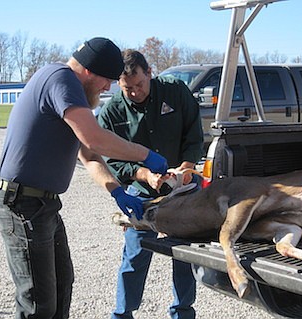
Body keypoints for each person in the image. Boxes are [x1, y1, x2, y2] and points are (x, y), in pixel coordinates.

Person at [0, 38, 168, 319]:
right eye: (106, 80)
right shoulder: (61, 79)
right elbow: (95, 139)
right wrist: (144, 154)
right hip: (22, 203)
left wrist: (116, 191)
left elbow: (89, 156)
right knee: (38, 304)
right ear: (89, 71)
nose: (107, 88)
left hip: (42, 206)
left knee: (61, 290)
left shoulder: (72, 96)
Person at [97, 49, 204, 319]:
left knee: (184, 256)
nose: (134, 92)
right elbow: (111, 160)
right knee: (135, 256)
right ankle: (123, 313)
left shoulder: (176, 91)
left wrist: (188, 167)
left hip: (183, 189)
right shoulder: (111, 112)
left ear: (150, 74)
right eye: (126, 88)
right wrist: (144, 175)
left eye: (139, 85)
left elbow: (194, 132)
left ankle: (182, 312)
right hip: (140, 194)